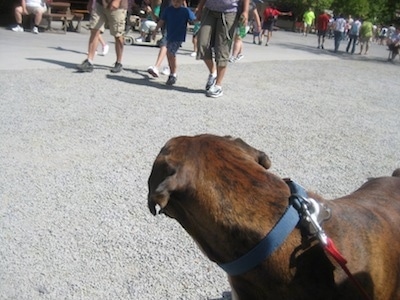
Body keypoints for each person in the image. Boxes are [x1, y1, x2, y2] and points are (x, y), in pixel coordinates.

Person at [195, 0, 249, 98]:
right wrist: (200, 6)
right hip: (209, 10)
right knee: (202, 44)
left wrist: (245, 11)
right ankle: (213, 72)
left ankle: (218, 85)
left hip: (229, 11)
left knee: (222, 48)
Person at [77, 0, 128, 73]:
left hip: (118, 7)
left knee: (118, 35)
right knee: (95, 29)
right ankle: (89, 61)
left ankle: (118, 62)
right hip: (100, 4)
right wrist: (91, 2)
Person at [152, 0, 195, 85]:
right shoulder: (168, 10)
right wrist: (156, 30)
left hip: (178, 36)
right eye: (174, 1)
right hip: (169, 35)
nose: (176, 3)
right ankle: (172, 73)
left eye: (178, 1)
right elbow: (162, 21)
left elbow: (194, 19)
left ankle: (173, 74)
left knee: (171, 53)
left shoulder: (185, 11)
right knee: (169, 55)